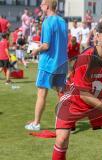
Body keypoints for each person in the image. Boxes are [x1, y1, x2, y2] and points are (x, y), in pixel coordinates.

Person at [52, 18, 102, 160]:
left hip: (99, 100)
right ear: (97, 36)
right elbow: (84, 94)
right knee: (62, 139)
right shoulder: (86, 58)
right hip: (74, 100)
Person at [25, 0, 68, 131]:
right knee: (62, 93)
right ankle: (65, 122)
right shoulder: (62, 21)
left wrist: (36, 50)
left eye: (42, 3)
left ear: (47, 6)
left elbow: (46, 45)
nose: (40, 5)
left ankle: (36, 123)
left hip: (48, 63)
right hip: (61, 62)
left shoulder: (47, 21)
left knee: (42, 93)